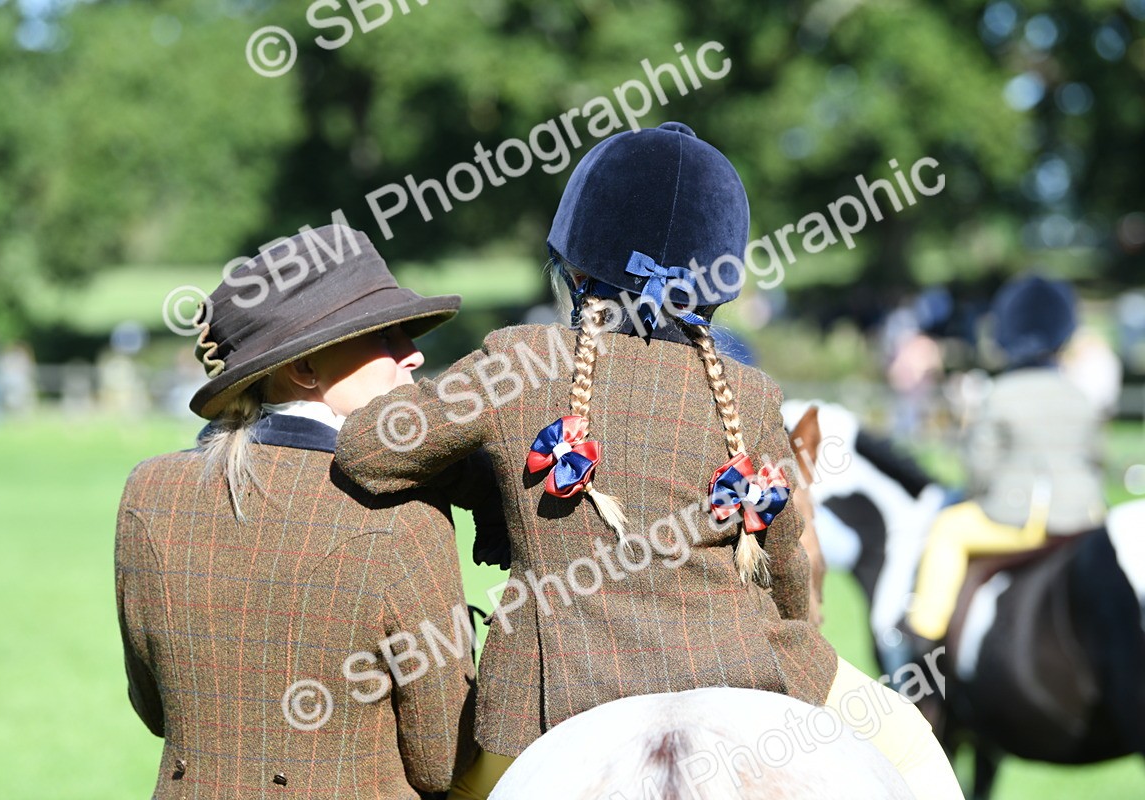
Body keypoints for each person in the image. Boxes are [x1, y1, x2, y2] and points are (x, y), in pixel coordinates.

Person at [334, 123, 962, 799]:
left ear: (575, 269)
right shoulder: (749, 393)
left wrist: (489, 472)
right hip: (740, 659)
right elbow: (783, 560)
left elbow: (368, 451)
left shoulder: (520, 360)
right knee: (908, 740)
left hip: (549, 694)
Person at [115, 227, 499, 798]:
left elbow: (154, 709)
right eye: (385, 335)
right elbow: (441, 760)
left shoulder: (148, 492)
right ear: (306, 369)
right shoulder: (402, 513)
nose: (414, 353)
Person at [907, 274, 1106, 643]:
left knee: (946, 529)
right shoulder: (1080, 395)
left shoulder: (999, 395)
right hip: (1083, 520)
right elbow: (1096, 459)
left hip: (1020, 521)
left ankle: (922, 633)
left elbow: (979, 470)